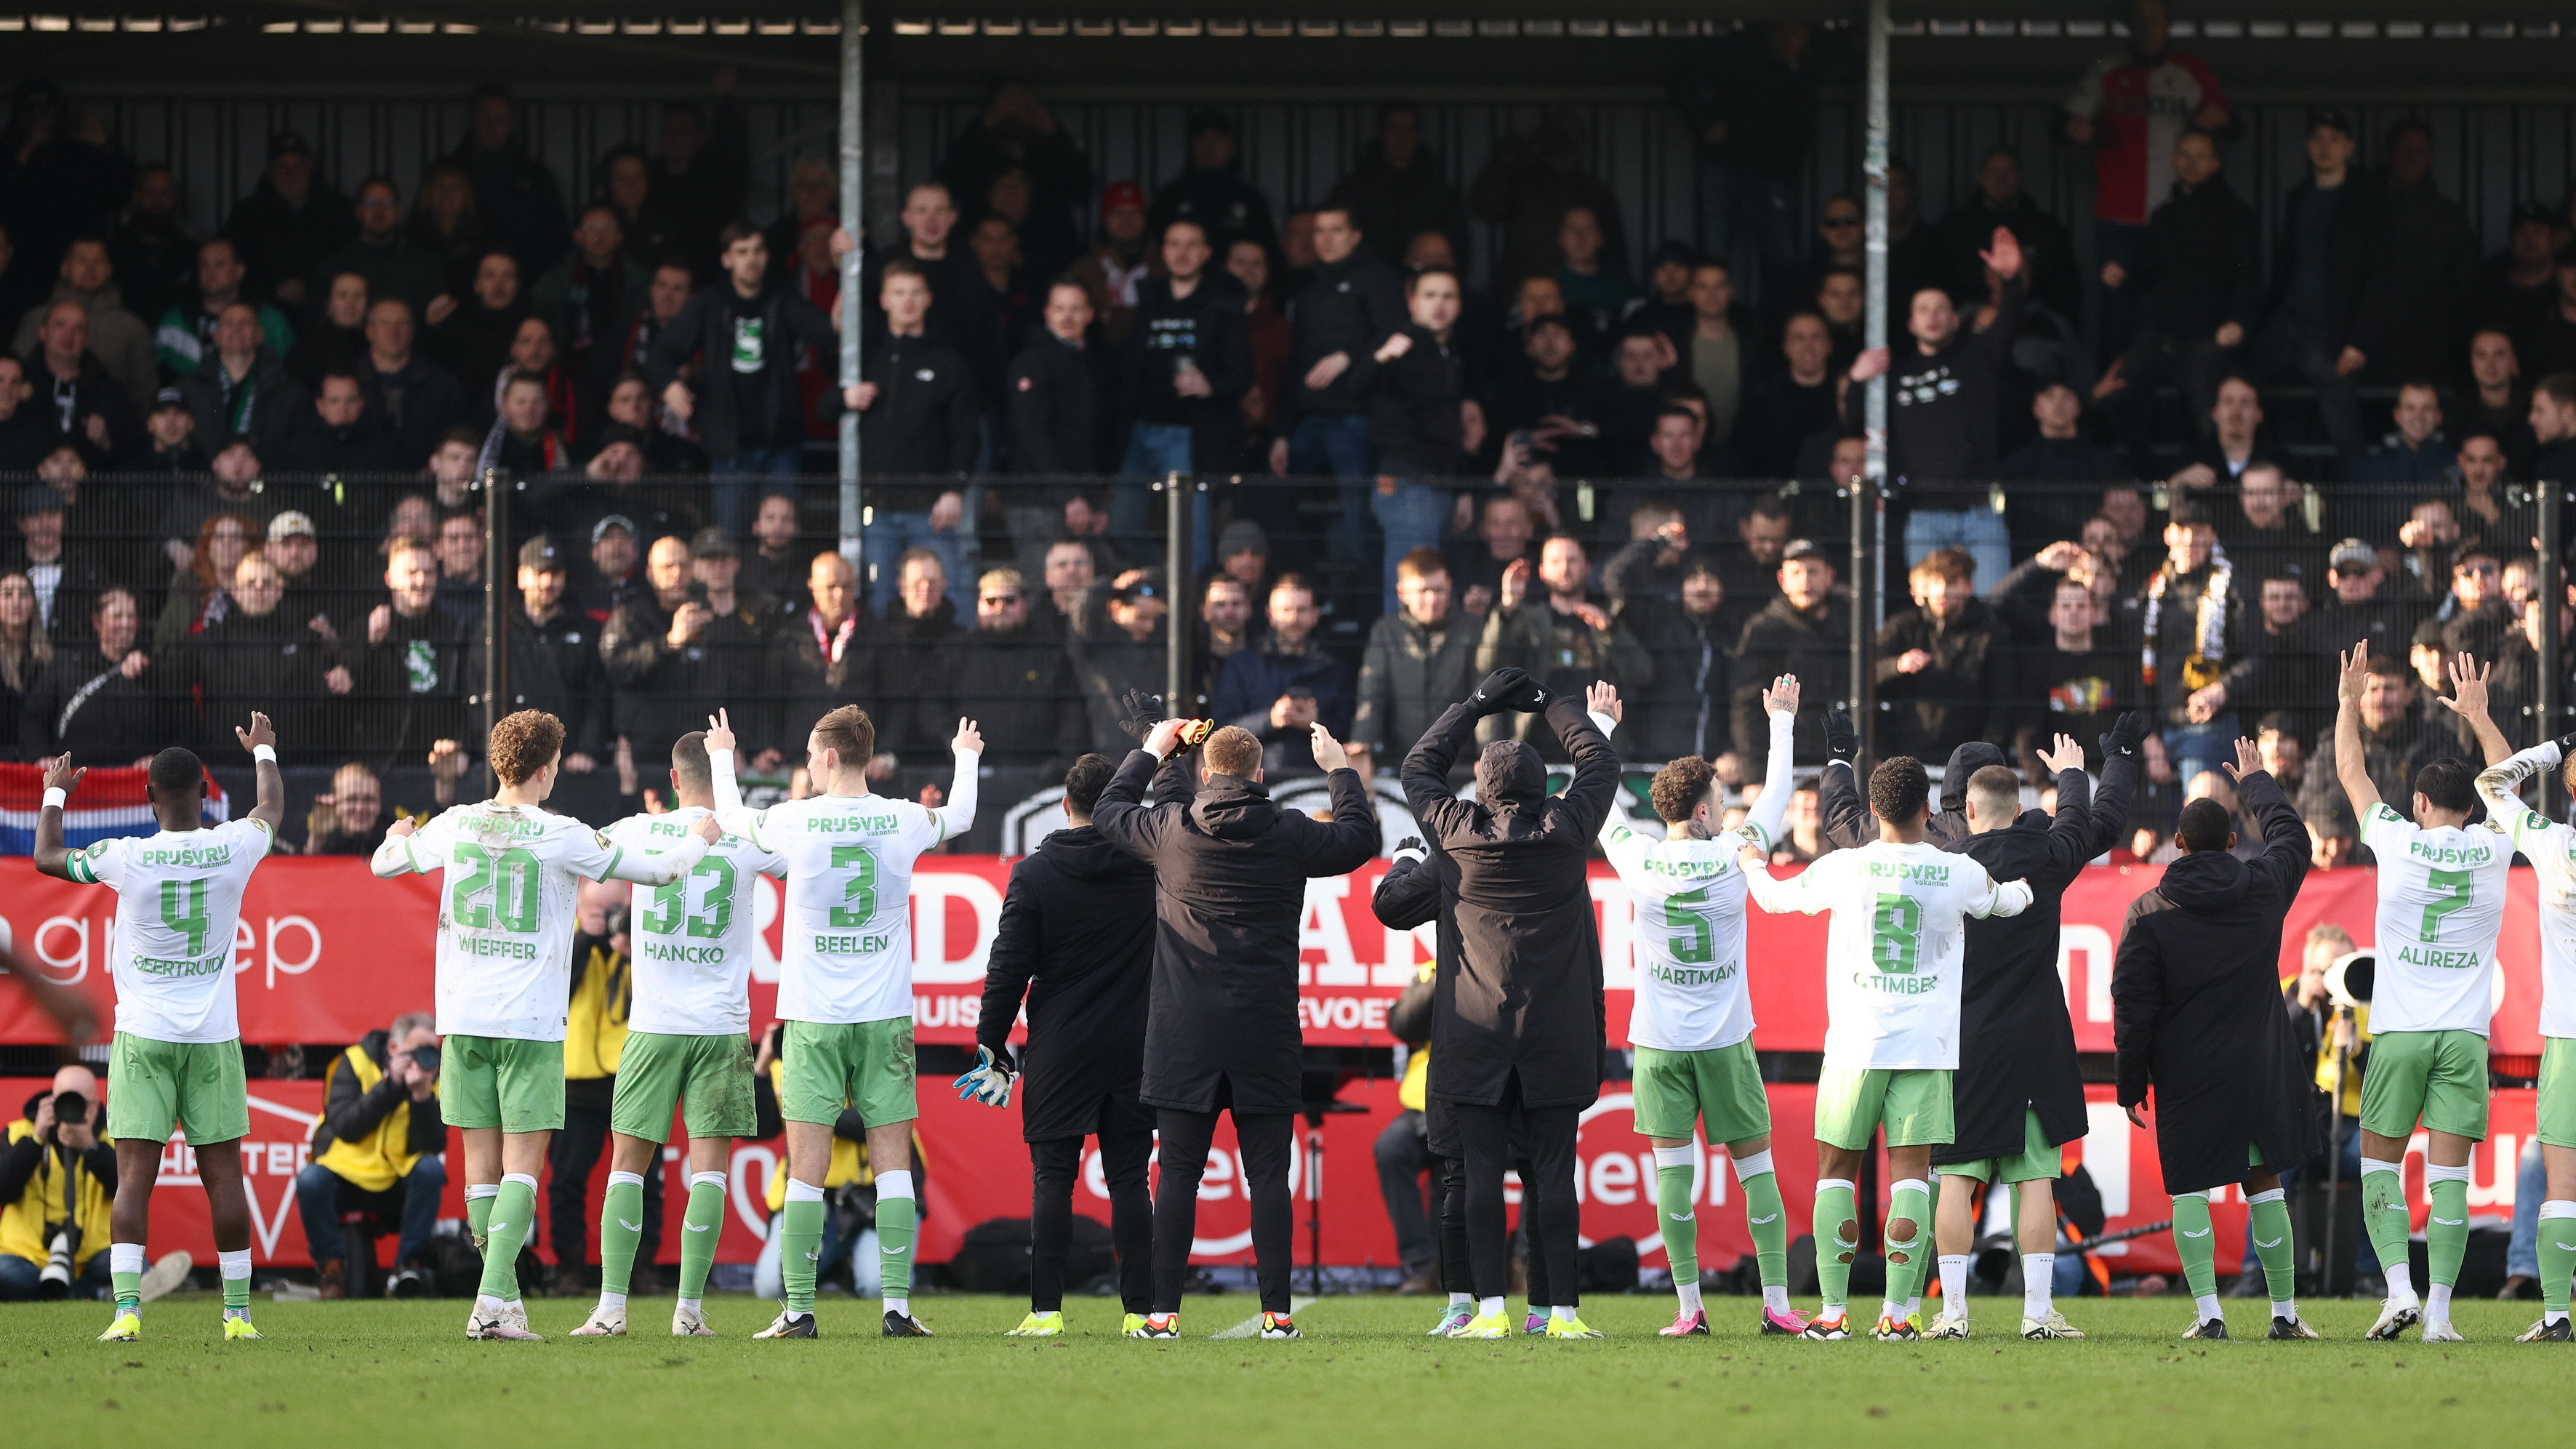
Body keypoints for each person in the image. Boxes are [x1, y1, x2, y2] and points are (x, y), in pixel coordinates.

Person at [370, 709, 720, 1340]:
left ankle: (502, 1302)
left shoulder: (454, 822)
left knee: (480, 1170)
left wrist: (398, 833)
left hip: (462, 1017)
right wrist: (701, 837)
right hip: (529, 1024)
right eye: (556, 764)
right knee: (522, 1171)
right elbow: (662, 871)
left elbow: (384, 865)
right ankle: (489, 1300)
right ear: (542, 768)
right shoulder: (562, 834)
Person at [1093, 716, 1377, 1339]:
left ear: (1204, 772)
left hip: (1182, 1031)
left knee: (1178, 1173)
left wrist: (1152, 748)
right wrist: (1337, 767)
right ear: (1259, 773)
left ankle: (1162, 1313)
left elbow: (1109, 808)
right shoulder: (1291, 832)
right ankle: (1277, 1313)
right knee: (1269, 1174)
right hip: (1264, 1029)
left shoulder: (1171, 829)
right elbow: (1360, 837)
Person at [705, 703, 981, 1338]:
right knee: (892, 1163)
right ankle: (896, 1309)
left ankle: (798, 1311)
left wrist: (724, 754)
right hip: (885, 1017)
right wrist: (965, 754)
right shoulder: (904, 817)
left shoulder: (796, 819)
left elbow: (729, 818)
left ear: (829, 756)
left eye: (809, 753)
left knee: (805, 1165)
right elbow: (961, 816)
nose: (807, 763)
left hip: (813, 1017)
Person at [1737, 755, 2034, 1340]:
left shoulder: (1846, 866)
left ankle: (1830, 1311)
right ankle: (1897, 1317)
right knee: (1911, 1178)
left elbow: (1771, 900)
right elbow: (2008, 902)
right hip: (1925, 1047)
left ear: (1872, 811)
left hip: (1854, 1044)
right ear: (1928, 810)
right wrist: (2027, 883)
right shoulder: (1957, 870)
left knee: (1834, 1174)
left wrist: (1750, 863)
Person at [32, 713, 286, 1341]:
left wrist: (55, 790)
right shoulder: (235, 844)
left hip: (143, 1036)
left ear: (149, 798)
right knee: (224, 1175)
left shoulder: (128, 857)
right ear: (204, 792)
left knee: (133, 1177)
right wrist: (264, 752)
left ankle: (126, 1312)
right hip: (213, 1037)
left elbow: (43, 856)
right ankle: (237, 1316)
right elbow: (273, 807)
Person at [1400, 668, 1618, 1339]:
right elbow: (1599, 759)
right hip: (1556, 1033)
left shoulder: (1455, 833)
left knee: (1483, 1177)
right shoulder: (1567, 830)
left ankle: (1489, 1311)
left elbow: (1418, 765)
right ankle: (1561, 1315)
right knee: (1554, 1174)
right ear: (1541, 786)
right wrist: (1550, 703)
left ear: (1481, 788)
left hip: (1475, 1034)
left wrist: (1473, 703)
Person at [1589, 675, 1807, 1336]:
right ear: (1708, 811)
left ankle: (1689, 1309)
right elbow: (1776, 794)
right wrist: (1780, 720)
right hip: (1724, 1041)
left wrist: (1600, 729)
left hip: (1657, 1042)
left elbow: (1601, 805)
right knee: (1757, 1172)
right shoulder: (1732, 853)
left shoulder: (1638, 860)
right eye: (1719, 798)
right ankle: (1775, 1304)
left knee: (1672, 1178)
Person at [558, 731, 786, 1338]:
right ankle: (688, 1311)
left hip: (652, 1026)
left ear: (675, 779)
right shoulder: (746, 833)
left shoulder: (636, 829)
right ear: (727, 772)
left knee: (626, 1168)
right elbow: (806, 863)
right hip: (721, 1026)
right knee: (708, 1172)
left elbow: (585, 866)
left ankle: (610, 1309)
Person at [1925, 718, 2143, 1341]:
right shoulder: (2044, 855)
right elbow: (2091, 820)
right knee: (2036, 1180)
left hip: (1963, 1040)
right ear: (2019, 809)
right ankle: (2037, 1313)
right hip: (2036, 1038)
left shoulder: (1944, 867)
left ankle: (1954, 1314)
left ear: (1965, 808)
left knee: (1958, 1178)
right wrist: (2080, 769)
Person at [2327, 645, 2510, 1343]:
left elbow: (2349, 770)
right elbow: (2509, 786)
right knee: (2449, 1178)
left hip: (2400, 1031)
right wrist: (2481, 716)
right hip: (2465, 1035)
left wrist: (2349, 700)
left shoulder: (2396, 839)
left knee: (2378, 1161)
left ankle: (2396, 1291)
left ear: (2421, 802)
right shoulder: (2495, 845)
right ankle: (2438, 1314)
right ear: (2473, 805)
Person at [966, 752, 1158, 1338]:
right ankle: (1140, 1312)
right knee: (1129, 1178)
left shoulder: (1033, 873)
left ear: (1063, 806)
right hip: (1134, 1041)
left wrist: (991, 1043)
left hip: (1060, 1046)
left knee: (1053, 1177)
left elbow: (1008, 970)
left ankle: (1045, 1310)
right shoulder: (1149, 868)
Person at [2462, 692, 2576, 1338]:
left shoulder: (2553, 844)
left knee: (2561, 1184)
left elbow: (2490, 783)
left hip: (2565, 1040)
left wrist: (2558, 745)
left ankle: (2557, 1316)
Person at [1845, 226, 2027, 587]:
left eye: (1942, 309)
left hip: (1980, 512)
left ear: (1956, 320)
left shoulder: (1975, 358)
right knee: (1932, 611)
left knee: (1990, 607)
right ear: (1911, 323)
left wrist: (2011, 279)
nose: (1933, 316)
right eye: (1924, 310)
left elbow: (2009, 322)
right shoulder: (1894, 371)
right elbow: (1854, 419)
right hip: (1924, 515)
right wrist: (1856, 378)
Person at [646, 225, 838, 537]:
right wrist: (669, 384)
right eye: (742, 252)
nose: (752, 260)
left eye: (758, 251)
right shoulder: (709, 302)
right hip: (729, 450)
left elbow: (828, 331)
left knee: (781, 539)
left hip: (780, 446)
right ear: (726, 260)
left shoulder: (782, 297)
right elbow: (660, 353)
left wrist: (846, 269)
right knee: (732, 541)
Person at [845, 258, 982, 614]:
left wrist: (954, 490)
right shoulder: (863, 357)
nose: (907, 301)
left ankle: (960, 668)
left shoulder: (948, 361)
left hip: (931, 508)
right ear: (884, 300)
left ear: (928, 299)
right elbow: (826, 405)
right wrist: (845, 396)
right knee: (880, 600)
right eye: (899, 293)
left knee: (950, 595)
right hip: (877, 508)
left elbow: (966, 434)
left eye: (915, 293)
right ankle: (884, 670)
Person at [295, 1012, 446, 1299]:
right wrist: (391, 1086)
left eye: (433, 1051)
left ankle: (407, 1270)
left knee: (430, 1170)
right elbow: (346, 1127)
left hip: (396, 1182)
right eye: (418, 1051)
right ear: (393, 1049)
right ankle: (332, 1271)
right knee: (310, 1180)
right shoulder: (353, 1061)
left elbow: (432, 1145)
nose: (427, 1059)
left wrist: (421, 1096)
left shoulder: (434, 1077)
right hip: (346, 1176)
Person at [1349, 549, 1478, 777]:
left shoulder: (1473, 629)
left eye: (1438, 590)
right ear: (1402, 593)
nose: (1432, 600)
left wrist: (1488, 752)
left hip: (1462, 766)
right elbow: (1372, 694)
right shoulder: (1385, 632)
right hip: (1402, 764)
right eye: (1422, 591)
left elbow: (1485, 698)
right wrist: (1363, 744)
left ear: (1449, 587)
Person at [0, 1066, 118, 1301]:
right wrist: (36, 1139)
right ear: (51, 1101)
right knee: (4, 1272)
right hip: (29, 1256)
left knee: (132, 1265)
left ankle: (56, 1291)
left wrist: (91, 1146)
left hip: (90, 1256)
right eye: (65, 1100)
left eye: (80, 1102)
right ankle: (95, 1294)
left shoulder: (112, 1136)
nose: (71, 1110)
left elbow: (125, 1188)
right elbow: (4, 1190)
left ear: (95, 1106)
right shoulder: (18, 1132)